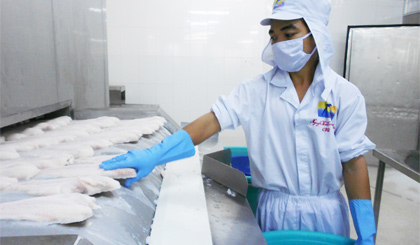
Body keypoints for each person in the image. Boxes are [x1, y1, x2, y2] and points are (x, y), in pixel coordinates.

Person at [100, 0, 377, 244]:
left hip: (327, 212)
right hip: (273, 209)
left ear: (316, 35)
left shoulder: (343, 95)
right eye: (274, 35)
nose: (279, 42)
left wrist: (366, 233)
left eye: (289, 33)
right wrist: (155, 154)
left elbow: (353, 164)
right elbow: (211, 122)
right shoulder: (256, 91)